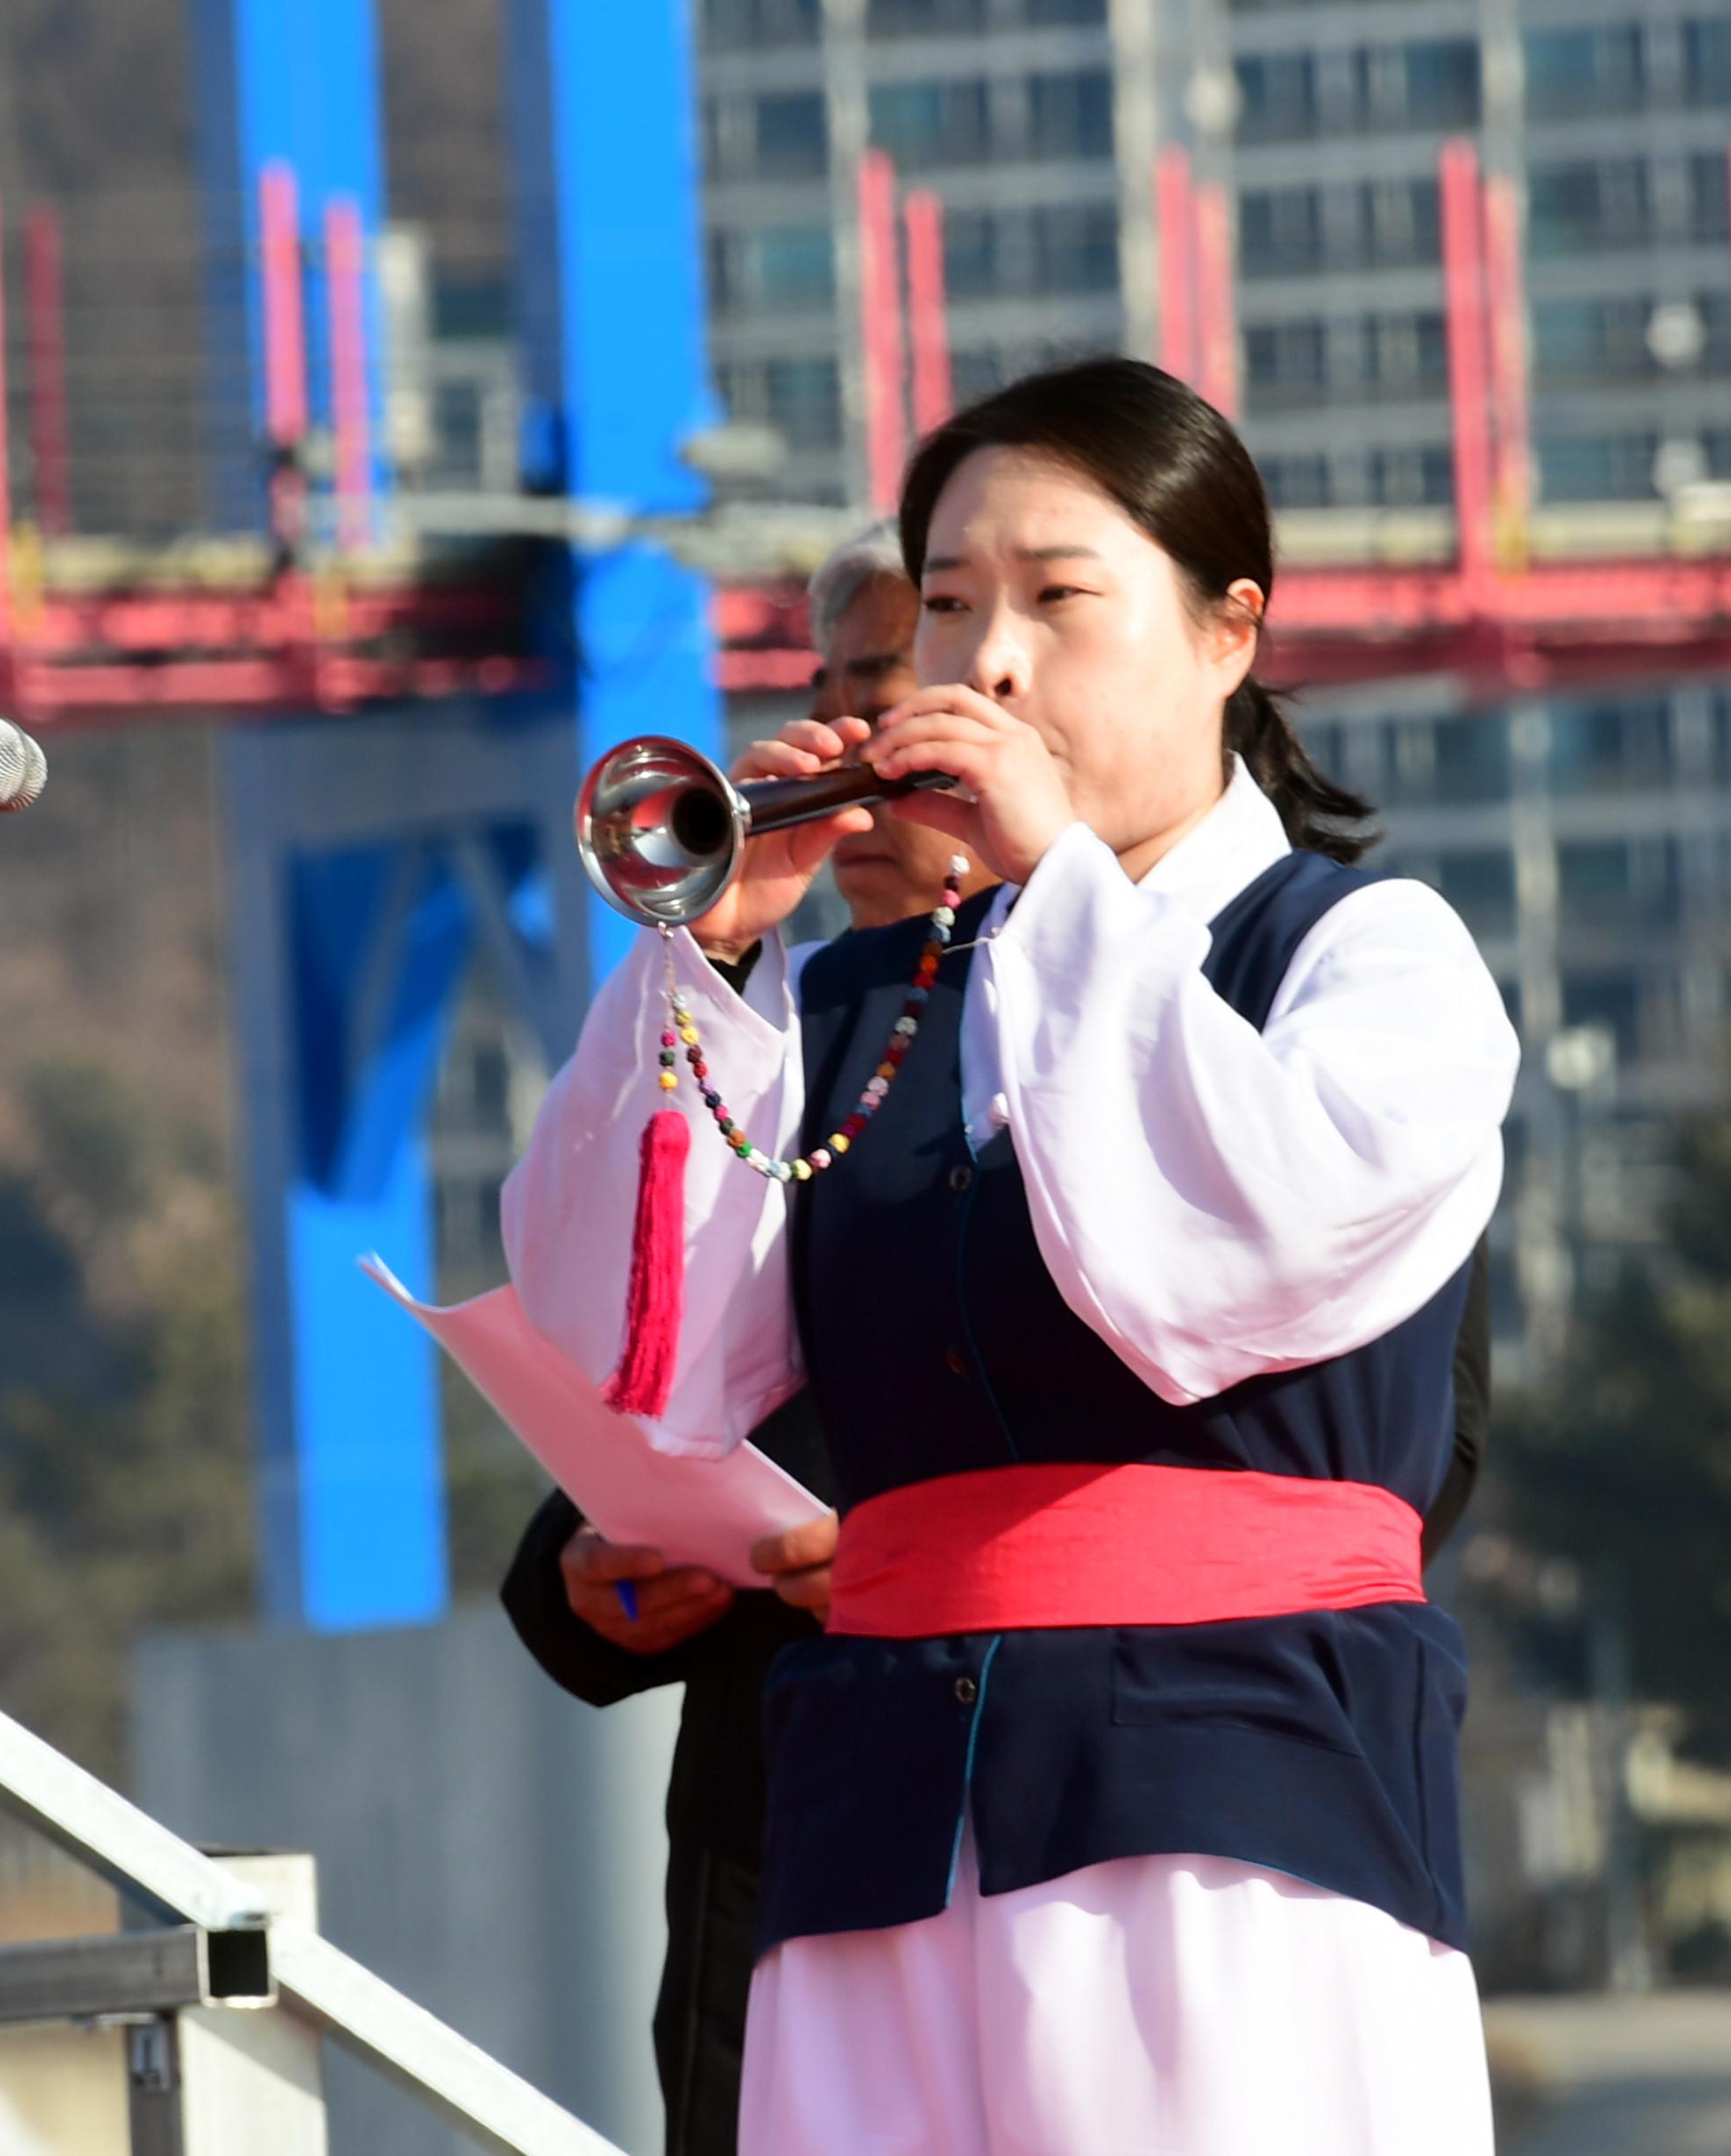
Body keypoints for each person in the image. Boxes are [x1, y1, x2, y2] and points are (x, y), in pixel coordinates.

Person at [503, 356, 1517, 2154]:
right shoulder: (859, 998)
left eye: (1059, 598)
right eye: (955, 605)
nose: (988, 662)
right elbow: (643, 1361)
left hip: (1228, 1811)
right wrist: (716, 972)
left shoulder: (1370, 955)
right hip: (874, 1822)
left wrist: (1053, 881)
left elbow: (1234, 1263)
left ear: (1227, 632)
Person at [496, 519, 995, 2156]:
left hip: (1057, 1810)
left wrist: (931, 1550)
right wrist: (591, 1571)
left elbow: (1416, 1456)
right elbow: (648, 1365)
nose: (850, 745)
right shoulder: (771, 1018)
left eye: (896, 691)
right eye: (830, 691)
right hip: (778, 1829)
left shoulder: (1233, 993)